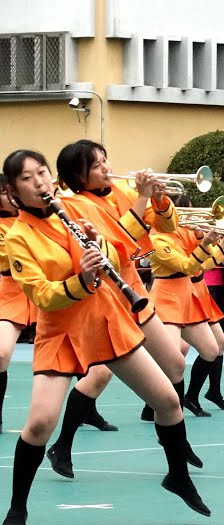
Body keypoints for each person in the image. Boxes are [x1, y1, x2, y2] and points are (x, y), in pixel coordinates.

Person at [2, 149, 208, 525]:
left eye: (41, 173)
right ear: (14, 192)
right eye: (27, 179)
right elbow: (42, 295)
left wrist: (99, 245)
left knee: (167, 400)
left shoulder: (75, 211)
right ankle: (17, 507)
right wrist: (80, 277)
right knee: (40, 423)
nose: (39, 183)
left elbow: (120, 247)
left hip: (108, 319)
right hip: (61, 332)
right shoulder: (18, 237)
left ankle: (178, 477)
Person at [48, 140, 198, 478]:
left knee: (175, 362)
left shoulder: (120, 191)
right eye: (97, 164)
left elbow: (167, 227)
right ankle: (63, 444)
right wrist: (143, 196)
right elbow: (117, 245)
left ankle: (176, 438)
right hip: (105, 295)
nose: (106, 167)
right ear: (77, 174)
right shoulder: (72, 205)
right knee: (99, 375)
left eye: (105, 160)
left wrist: (158, 196)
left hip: (134, 291)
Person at [147, 195, 224, 417]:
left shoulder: (186, 232)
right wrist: (204, 243)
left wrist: (221, 243)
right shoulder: (157, 239)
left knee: (211, 350)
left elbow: (202, 266)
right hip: (167, 296)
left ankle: (190, 397)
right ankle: (157, 405)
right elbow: (186, 266)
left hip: (188, 295)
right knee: (173, 358)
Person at [0, 174, 38, 433]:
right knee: (1, 354)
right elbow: (13, 251)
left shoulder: (41, 217)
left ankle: (86, 410)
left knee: (90, 361)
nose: (10, 197)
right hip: (11, 290)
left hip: (46, 287)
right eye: (4, 192)